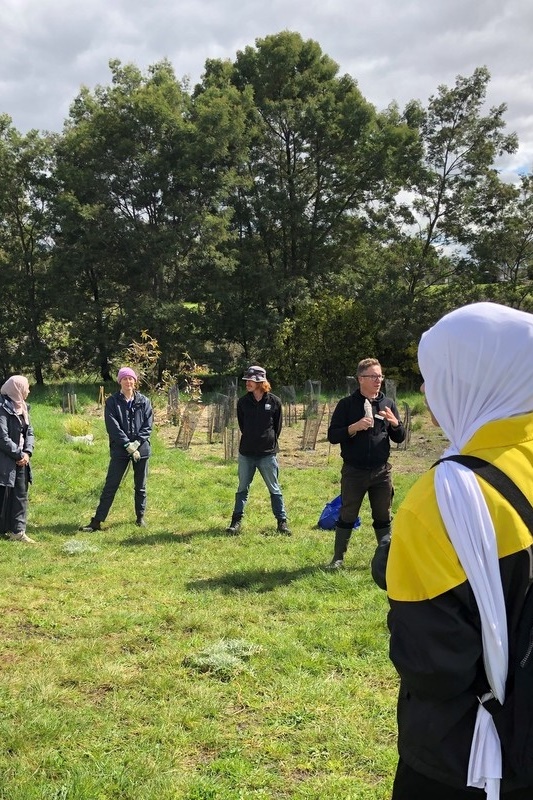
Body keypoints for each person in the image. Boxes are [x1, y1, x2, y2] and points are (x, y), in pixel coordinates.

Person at [385, 302, 533, 799]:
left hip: (469, 758)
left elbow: (433, 667)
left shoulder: (442, 499)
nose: (426, 392)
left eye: (435, 377)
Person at [326, 358, 405, 568]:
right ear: (361, 379)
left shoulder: (388, 404)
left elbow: (400, 437)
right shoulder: (346, 405)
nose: (378, 380)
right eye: (373, 376)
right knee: (348, 514)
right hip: (354, 472)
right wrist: (354, 427)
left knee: (383, 515)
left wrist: (396, 424)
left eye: (380, 376)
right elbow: (333, 436)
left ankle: (387, 560)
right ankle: (338, 558)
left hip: (381, 472)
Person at [80, 367, 153, 531]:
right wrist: (127, 445)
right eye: (125, 379)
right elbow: (113, 427)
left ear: (135, 381)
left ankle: (140, 517)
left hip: (142, 449)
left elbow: (148, 426)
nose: (128, 382)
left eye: (131, 379)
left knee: (140, 486)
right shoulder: (112, 402)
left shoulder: (144, 401)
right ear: (120, 381)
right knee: (111, 485)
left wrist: (137, 444)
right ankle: (97, 521)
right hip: (120, 450)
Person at [226, 365, 290, 535]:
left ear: (261, 381)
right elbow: (242, 425)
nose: (247, 383)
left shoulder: (274, 402)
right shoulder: (243, 402)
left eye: (251, 380)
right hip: (246, 453)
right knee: (242, 488)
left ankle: (282, 522)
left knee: (274, 488)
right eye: (246, 380)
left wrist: (267, 442)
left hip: (267, 454)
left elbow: (277, 427)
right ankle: (235, 522)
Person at [0, 375, 36, 543]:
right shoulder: (2, 407)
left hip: (22, 458)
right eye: (26, 387)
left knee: (20, 495)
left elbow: (29, 432)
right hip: (6, 459)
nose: (28, 390)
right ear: (17, 388)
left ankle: (18, 532)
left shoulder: (23, 407)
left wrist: (27, 452)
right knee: (4, 495)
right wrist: (18, 454)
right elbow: (2, 437)